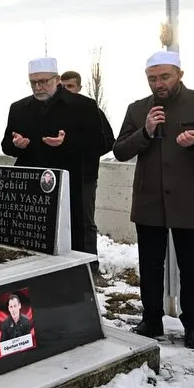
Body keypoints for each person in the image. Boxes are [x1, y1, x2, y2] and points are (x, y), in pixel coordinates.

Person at [113, 50, 194, 350]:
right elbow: (120, 151)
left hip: (191, 201)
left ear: (179, 74)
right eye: (152, 78)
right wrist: (146, 131)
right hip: (150, 201)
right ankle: (151, 319)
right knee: (150, 265)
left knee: (191, 267)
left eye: (164, 76)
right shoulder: (137, 108)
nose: (159, 83)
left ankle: (193, 326)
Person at [1, 57, 105, 255]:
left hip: (71, 181)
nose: (38, 87)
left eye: (43, 82)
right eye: (33, 83)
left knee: (73, 235)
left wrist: (67, 143)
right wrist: (17, 145)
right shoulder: (19, 108)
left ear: (57, 80)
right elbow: (7, 145)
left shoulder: (83, 106)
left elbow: (99, 143)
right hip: (32, 186)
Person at [59, 70, 115, 271]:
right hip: (58, 177)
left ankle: (90, 266)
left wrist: (83, 151)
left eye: (70, 86)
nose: (66, 91)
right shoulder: (52, 112)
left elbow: (108, 141)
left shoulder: (92, 111)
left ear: (79, 88)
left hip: (85, 175)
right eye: (62, 87)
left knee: (85, 221)